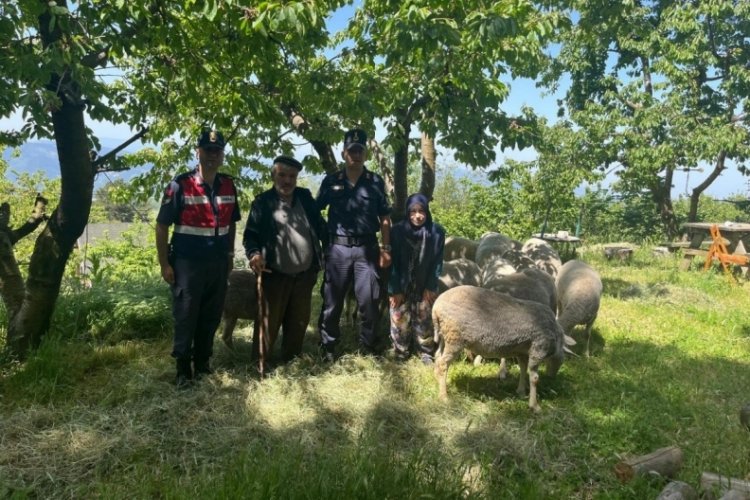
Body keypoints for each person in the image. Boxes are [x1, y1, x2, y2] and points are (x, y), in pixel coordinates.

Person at [156, 129, 240, 389]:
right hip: (187, 264)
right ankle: (183, 370)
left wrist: (229, 256)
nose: (212, 155)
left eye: (217, 151)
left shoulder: (228, 185)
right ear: (198, 152)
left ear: (222, 154)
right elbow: (161, 226)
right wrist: (164, 264)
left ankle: (203, 364)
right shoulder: (180, 185)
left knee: (211, 316)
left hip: (217, 263)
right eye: (208, 150)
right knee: (186, 316)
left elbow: (231, 224)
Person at [242, 155, 327, 367]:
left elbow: (321, 227)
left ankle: (291, 359)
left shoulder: (305, 198)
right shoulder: (263, 202)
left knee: (298, 322)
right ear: (274, 175)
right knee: (268, 322)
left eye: (292, 176)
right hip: (274, 274)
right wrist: (254, 254)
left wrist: (333, 249)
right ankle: (261, 362)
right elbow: (250, 236)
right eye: (282, 175)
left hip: (305, 274)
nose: (287, 181)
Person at [317, 128, 392, 361]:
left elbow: (385, 218)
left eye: (360, 151)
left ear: (365, 154)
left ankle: (368, 345)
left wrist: (386, 248)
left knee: (369, 299)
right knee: (332, 299)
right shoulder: (332, 181)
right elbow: (314, 210)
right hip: (337, 249)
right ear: (343, 154)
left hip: (366, 249)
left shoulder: (375, 182)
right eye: (351, 151)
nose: (356, 155)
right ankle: (328, 346)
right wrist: (324, 237)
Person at [388, 193, 445, 364]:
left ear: (427, 212)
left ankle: (426, 352)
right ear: (407, 212)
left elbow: (437, 261)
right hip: (401, 282)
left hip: (424, 283)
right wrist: (394, 289)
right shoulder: (396, 231)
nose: (417, 216)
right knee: (399, 318)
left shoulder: (436, 232)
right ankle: (401, 351)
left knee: (425, 319)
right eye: (413, 211)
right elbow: (391, 263)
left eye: (421, 211)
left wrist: (431, 285)